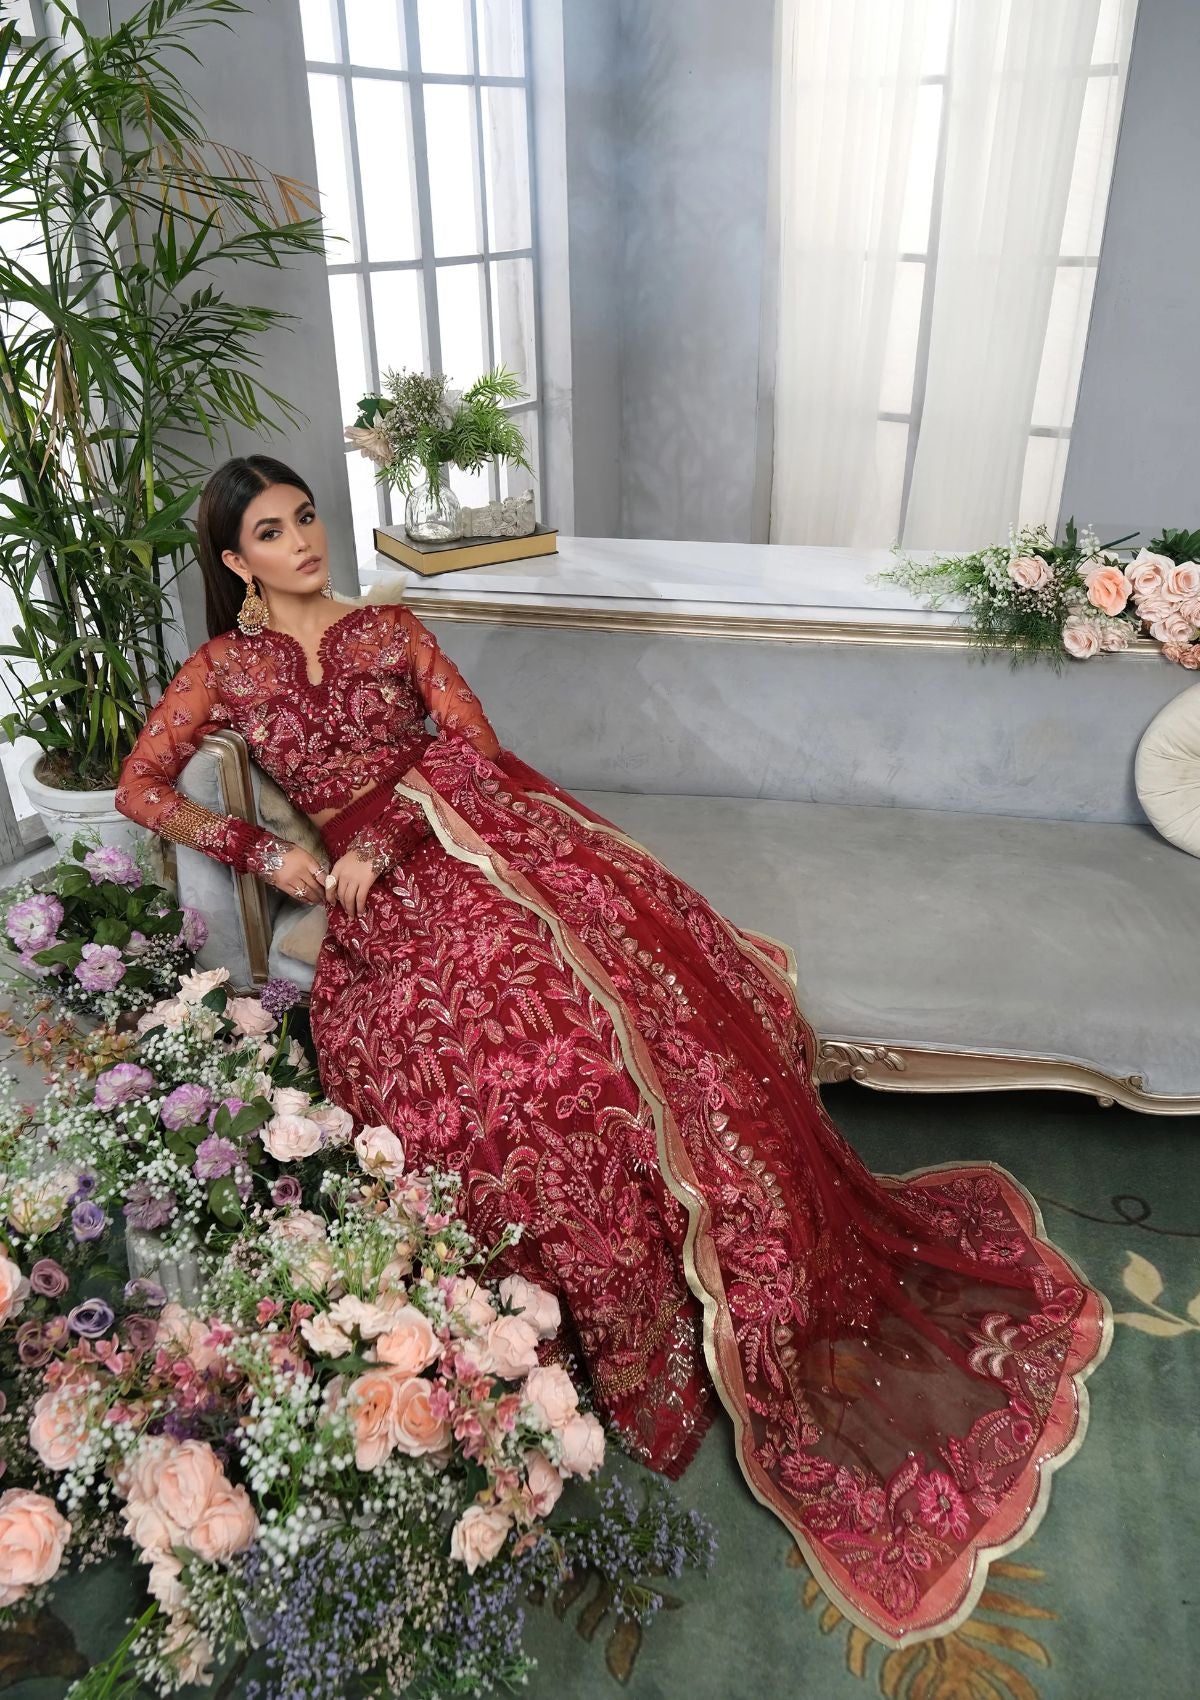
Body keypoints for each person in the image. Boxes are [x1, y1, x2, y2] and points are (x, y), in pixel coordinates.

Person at [115, 454, 1110, 1646]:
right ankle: (570, 1317)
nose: (304, 541)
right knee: (477, 1069)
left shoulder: (387, 627)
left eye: (308, 516)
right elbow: (141, 785)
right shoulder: (224, 671)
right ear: (236, 561)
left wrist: (382, 834)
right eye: (274, 532)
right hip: (376, 908)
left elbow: (469, 740)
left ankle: (704, 1273)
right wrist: (266, 850)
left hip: (458, 838)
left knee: (610, 1012)